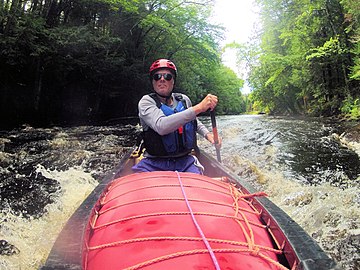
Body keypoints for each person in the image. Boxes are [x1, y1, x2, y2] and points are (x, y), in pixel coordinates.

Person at [132, 58, 221, 174]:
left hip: (185, 162)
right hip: (153, 163)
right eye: (157, 77)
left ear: (173, 81)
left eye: (167, 76)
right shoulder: (146, 102)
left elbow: (193, 121)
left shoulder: (184, 100)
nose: (162, 79)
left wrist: (208, 135)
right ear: (153, 81)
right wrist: (199, 107)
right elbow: (162, 126)